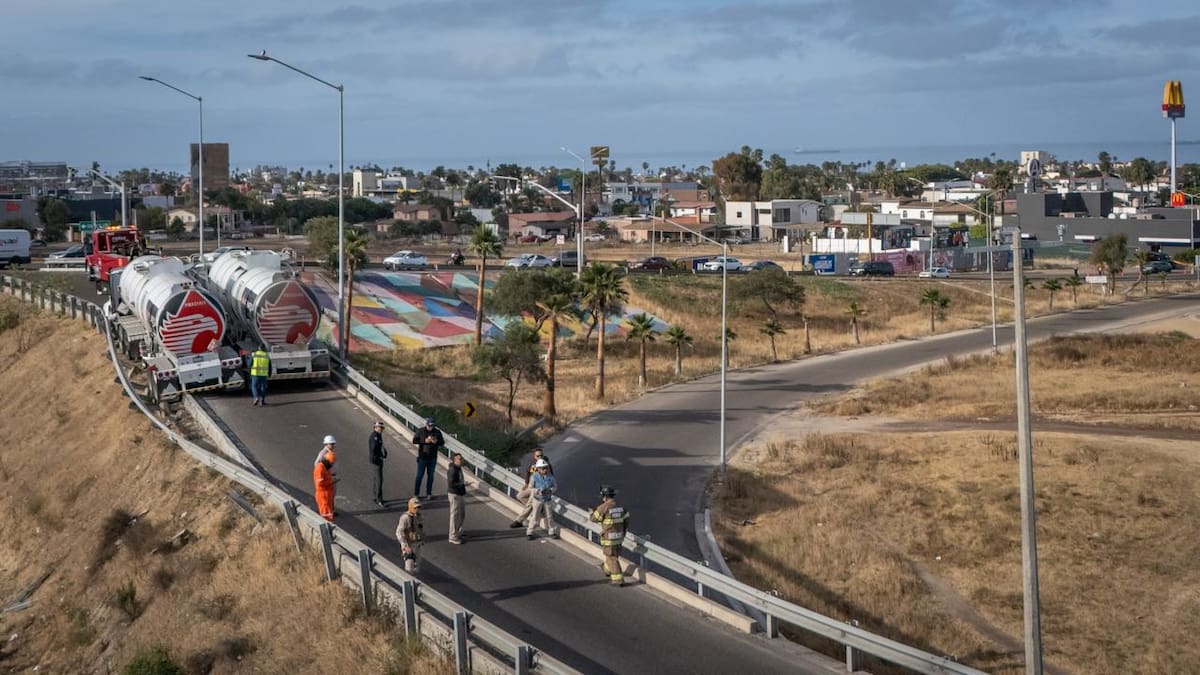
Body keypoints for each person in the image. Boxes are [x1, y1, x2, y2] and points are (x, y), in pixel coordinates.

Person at [590, 485, 630, 586]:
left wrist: (592, 512)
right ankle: (607, 569)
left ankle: (618, 580)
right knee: (613, 555)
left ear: (605, 497)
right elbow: (626, 521)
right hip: (619, 537)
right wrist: (623, 532)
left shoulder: (604, 507)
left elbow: (593, 519)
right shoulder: (621, 507)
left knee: (611, 557)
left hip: (609, 538)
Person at [510, 447, 553, 528]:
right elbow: (528, 472)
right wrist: (526, 483)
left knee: (529, 504)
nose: (539, 457)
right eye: (537, 456)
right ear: (534, 456)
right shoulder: (533, 464)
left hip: (540, 490)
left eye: (541, 455)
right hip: (531, 487)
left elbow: (551, 477)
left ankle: (518, 521)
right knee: (520, 496)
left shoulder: (546, 465)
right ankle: (538, 508)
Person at [525, 458, 558, 540]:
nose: (545, 470)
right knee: (535, 517)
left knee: (549, 517)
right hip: (537, 500)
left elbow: (555, 487)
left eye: (546, 468)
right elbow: (530, 487)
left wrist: (550, 490)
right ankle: (529, 532)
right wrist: (538, 491)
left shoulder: (551, 477)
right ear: (538, 469)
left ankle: (552, 532)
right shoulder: (534, 476)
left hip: (547, 500)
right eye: (543, 468)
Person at [411, 417, 443, 500]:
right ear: (426, 424)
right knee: (419, 476)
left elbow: (442, 442)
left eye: (432, 426)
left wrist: (436, 442)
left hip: (432, 458)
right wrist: (424, 441)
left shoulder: (437, 432)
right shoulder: (420, 431)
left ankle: (429, 493)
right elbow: (414, 440)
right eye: (429, 425)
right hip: (422, 457)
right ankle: (416, 494)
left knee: (431, 476)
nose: (430, 427)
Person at [395, 496, 424, 573]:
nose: (417, 509)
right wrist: (405, 545)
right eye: (415, 507)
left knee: (417, 567)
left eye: (418, 507)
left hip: (418, 545)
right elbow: (399, 532)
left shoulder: (419, 516)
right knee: (409, 567)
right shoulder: (405, 518)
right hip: (409, 545)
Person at [313, 439, 337, 521]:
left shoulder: (325, 468)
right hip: (323, 494)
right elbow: (320, 484)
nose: (331, 465)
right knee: (326, 515)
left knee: (329, 513)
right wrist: (332, 481)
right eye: (331, 463)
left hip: (327, 493)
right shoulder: (320, 469)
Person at [446, 452, 467, 544]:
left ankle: (458, 531)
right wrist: (462, 484)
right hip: (454, 494)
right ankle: (452, 536)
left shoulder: (458, 468)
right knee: (454, 515)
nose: (461, 460)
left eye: (462, 459)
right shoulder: (452, 470)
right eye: (460, 459)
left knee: (462, 514)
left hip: (460, 493)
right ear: (455, 460)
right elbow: (451, 484)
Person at [369, 421, 388, 506]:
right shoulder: (375, 437)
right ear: (375, 428)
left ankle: (375, 497)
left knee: (376, 479)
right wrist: (377, 459)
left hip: (377, 460)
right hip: (376, 461)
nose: (382, 429)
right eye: (380, 428)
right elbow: (373, 449)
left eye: (382, 428)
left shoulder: (378, 435)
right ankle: (379, 499)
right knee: (379, 480)